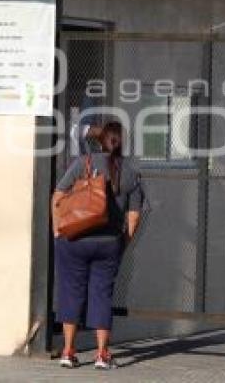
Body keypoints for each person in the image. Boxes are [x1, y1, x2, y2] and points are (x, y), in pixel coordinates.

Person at [51, 121, 143, 370]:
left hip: (75, 239)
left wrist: (57, 230)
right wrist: (122, 242)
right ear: (123, 142)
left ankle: (68, 351)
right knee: (102, 294)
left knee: (71, 291)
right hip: (108, 243)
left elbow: (58, 195)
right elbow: (133, 216)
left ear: (101, 141)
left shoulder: (84, 163)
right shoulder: (132, 173)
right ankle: (102, 354)